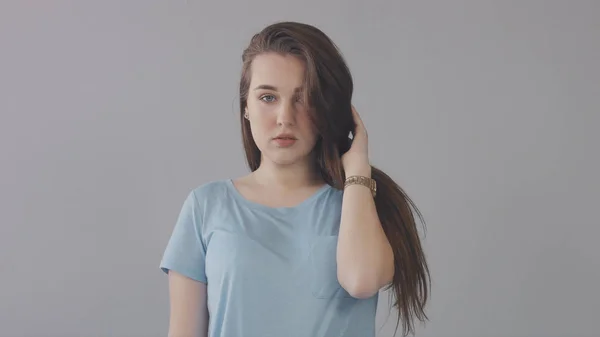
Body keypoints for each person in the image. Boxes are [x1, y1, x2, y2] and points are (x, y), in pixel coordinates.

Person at [159, 21, 430, 337]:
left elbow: (362, 280)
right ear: (246, 106)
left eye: (303, 99)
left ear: (326, 108)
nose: (285, 117)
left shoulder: (358, 203)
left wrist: (357, 169)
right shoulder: (205, 206)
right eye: (268, 98)